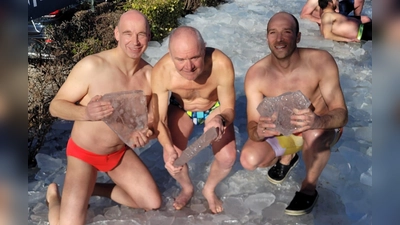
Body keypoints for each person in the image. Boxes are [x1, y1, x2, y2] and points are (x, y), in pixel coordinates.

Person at [46, 10, 161, 225]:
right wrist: (85, 113)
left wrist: (147, 132)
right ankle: (53, 199)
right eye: (128, 33)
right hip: (83, 154)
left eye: (141, 34)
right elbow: (55, 106)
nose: (135, 41)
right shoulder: (92, 66)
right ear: (116, 34)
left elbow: (153, 123)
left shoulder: (151, 76)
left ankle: (95, 188)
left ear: (149, 36)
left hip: (117, 154)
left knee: (152, 203)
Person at [240, 12, 348, 215]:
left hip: (321, 130)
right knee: (249, 158)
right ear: (267, 37)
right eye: (273, 33)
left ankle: (309, 188)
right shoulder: (256, 74)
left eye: (286, 32)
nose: (279, 39)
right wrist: (260, 131)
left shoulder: (320, 61)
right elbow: (252, 126)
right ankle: (289, 156)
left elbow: (342, 114)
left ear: (298, 37)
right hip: (287, 132)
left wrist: (318, 120)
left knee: (313, 134)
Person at [151, 26, 236, 214]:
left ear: (204, 48)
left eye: (194, 58)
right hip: (182, 108)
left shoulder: (221, 64)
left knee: (228, 157)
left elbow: (229, 108)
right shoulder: (162, 71)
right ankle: (187, 187)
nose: (188, 67)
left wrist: (221, 119)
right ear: (170, 54)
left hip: (214, 108)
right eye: (180, 59)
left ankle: (209, 189)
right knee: (172, 158)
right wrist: (167, 147)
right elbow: (159, 119)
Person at [300, 0, 370, 24]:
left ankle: (356, 17)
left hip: (339, 13)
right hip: (329, 21)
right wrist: (319, 20)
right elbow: (304, 15)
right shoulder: (314, 0)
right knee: (365, 20)